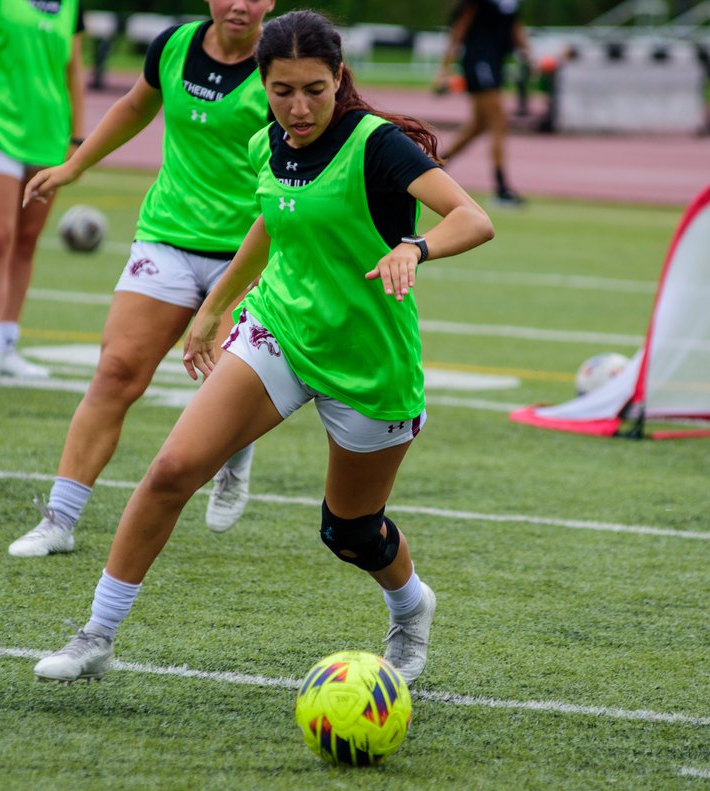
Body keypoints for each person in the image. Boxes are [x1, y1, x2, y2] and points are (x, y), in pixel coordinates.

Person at [29, 9, 495, 688]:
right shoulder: (268, 141)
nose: (298, 108)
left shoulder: (379, 145)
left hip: (367, 361)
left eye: (314, 90)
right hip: (278, 328)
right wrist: (213, 307)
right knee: (170, 471)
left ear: (339, 77)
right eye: (282, 91)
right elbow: (271, 219)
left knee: (350, 531)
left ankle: (410, 605)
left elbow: (473, 218)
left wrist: (414, 247)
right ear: (263, 84)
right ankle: (96, 635)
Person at [8, 0, 277, 556]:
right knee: (116, 372)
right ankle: (59, 520)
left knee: (227, 382)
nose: (240, 5)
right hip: (165, 237)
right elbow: (135, 106)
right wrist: (74, 165)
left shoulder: (282, 63)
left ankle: (235, 456)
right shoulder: (173, 46)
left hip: (247, 249)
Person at [0, 0, 86, 383]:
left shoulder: (72, 4)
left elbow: (74, 68)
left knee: (26, 241)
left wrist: (78, 138)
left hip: (49, 134)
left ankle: (7, 345)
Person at [434, 0, 531, 206]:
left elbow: (515, 26)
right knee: (499, 122)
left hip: (495, 62)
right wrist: (444, 69)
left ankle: (434, 166)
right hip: (479, 60)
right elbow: (459, 29)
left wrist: (528, 55)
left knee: (478, 126)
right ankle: (501, 188)